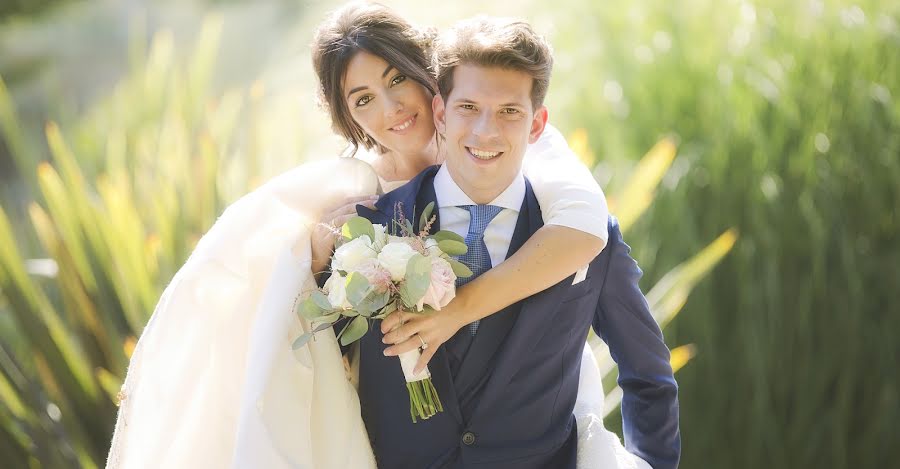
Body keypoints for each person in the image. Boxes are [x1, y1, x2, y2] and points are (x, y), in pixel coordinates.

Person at [104, 3, 637, 469]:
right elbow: (315, 324)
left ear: (426, 71)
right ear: (347, 116)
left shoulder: (504, 136)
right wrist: (322, 256)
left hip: (534, 413)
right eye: (362, 100)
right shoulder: (359, 200)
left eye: (396, 79)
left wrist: (456, 310)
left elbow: (587, 229)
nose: (391, 109)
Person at [353, 15, 679, 469]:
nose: (486, 131)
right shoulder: (365, 233)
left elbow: (648, 375)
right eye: (468, 108)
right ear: (441, 113)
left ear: (537, 124)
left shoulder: (588, 239)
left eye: (509, 111)